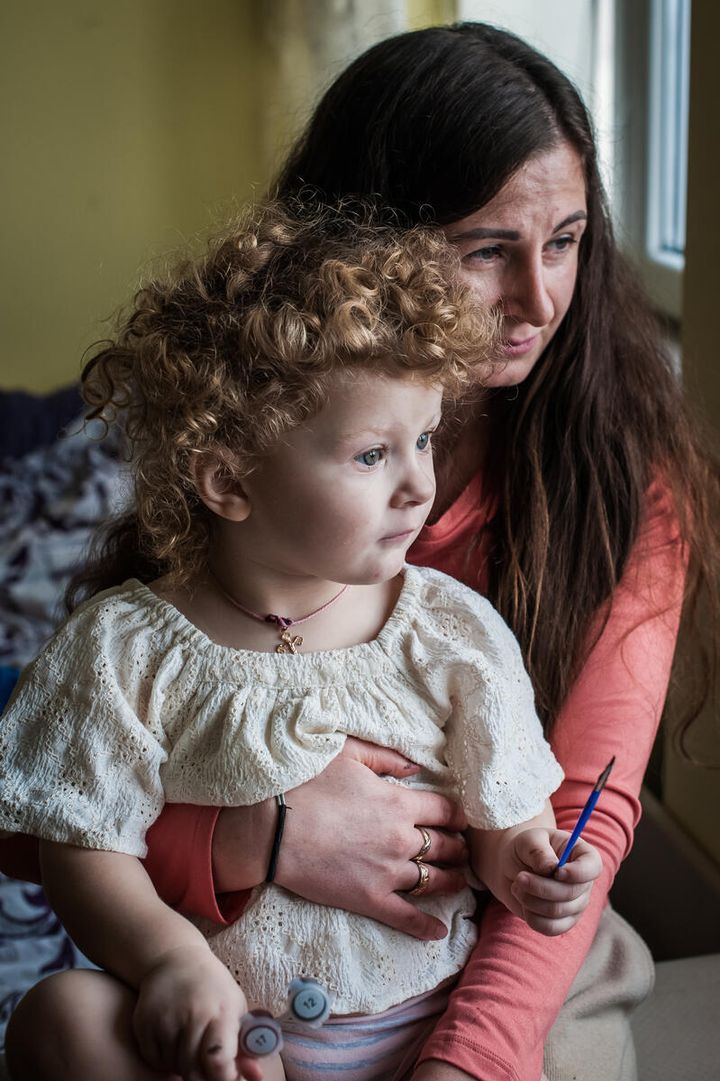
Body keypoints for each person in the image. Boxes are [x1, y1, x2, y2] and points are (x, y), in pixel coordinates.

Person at [2, 20, 719, 1081]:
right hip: (231, 972)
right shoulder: (212, 550)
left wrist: (460, 1064)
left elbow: (570, 821)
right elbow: (56, 814)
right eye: (489, 249)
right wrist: (256, 836)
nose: (541, 301)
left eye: (566, 241)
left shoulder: (607, 498)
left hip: (486, 964)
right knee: (57, 1022)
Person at [0, 201, 603, 1081]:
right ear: (229, 478)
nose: (417, 486)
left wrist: (530, 865)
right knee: (58, 1015)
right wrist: (172, 960)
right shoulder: (124, 649)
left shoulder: (450, 632)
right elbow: (83, 846)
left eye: (426, 439)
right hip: (228, 1041)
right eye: (371, 455)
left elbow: (506, 819)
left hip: (417, 1034)